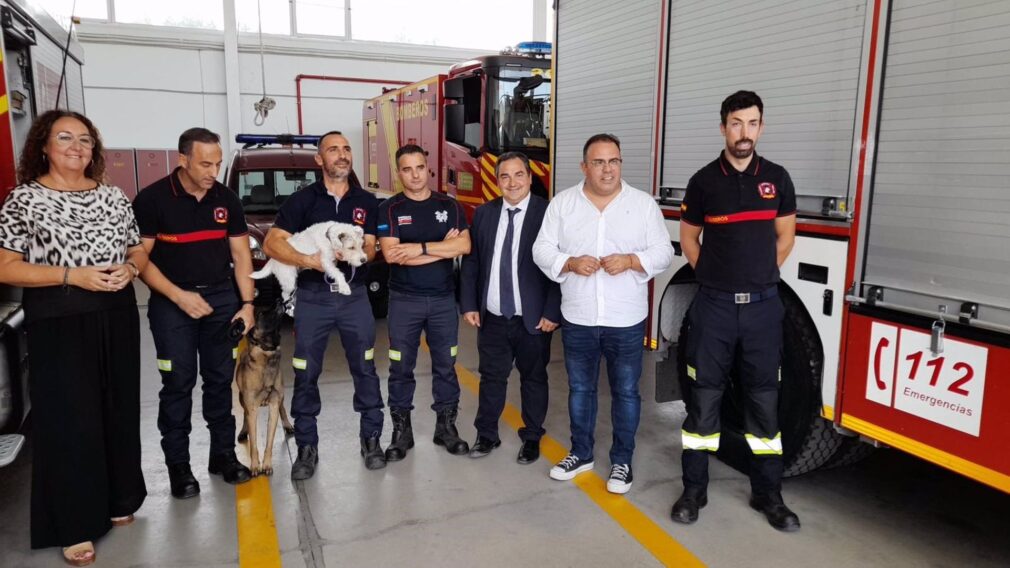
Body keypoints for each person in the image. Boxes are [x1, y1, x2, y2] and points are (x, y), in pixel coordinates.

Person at [0, 110, 147, 566]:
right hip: (59, 317)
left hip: (116, 312)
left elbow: (137, 247)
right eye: (64, 138)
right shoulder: (23, 200)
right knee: (69, 419)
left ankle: (121, 499)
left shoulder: (113, 197)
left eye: (85, 140)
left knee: (117, 408)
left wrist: (131, 268)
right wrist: (71, 275)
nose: (76, 147)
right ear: (43, 145)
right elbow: (5, 266)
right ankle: (74, 522)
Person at [671, 90, 800, 531]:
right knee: (703, 400)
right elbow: (689, 238)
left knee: (764, 403)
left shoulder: (778, 179)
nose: (744, 132)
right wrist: (713, 277)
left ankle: (769, 496)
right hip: (714, 309)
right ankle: (693, 491)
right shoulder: (704, 181)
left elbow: (785, 237)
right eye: (736, 123)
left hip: (764, 310)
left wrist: (761, 275)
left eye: (752, 123)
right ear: (723, 127)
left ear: (761, 127)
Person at [533, 133, 674, 494]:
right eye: (599, 162)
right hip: (578, 316)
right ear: (584, 166)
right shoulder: (563, 204)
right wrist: (568, 261)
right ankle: (581, 454)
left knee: (626, 392)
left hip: (625, 320)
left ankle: (622, 462)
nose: (607, 169)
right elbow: (541, 249)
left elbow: (663, 251)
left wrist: (631, 260)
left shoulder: (642, 205)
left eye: (614, 161)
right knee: (580, 389)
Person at [132, 127, 254, 499]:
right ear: (182, 159)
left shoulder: (226, 199)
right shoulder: (152, 200)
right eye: (205, 163)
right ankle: (179, 467)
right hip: (172, 305)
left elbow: (240, 255)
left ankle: (223, 455)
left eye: (217, 163)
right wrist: (179, 297)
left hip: (221, 302)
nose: (212, 171)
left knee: (220, 382)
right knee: (178, 385)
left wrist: (247, 305)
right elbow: (138, 258)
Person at [262, 130, 386, 478]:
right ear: (319, 160)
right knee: (306, 372)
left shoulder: (366, 201)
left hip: (355, 299)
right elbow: (272, 244)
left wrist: (359, 251)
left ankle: (372, 439)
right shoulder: (302, 201)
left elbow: (373, 248)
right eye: (333, 150)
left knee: (365, 367)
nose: (342, 155)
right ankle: (306, 447)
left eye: (346, 149)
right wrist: (312, 261)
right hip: (314, 300)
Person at [460, 152, 561, 463]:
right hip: (492, 317)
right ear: (497, 180)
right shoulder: (485, 214)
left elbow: (560, 265)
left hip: (533, 318)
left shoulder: (548, 213)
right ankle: (486, 434)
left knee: (534, 378)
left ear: (530, 178)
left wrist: (553, 311)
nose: (512, 182)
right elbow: (473, 261)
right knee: (491, 377)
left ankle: (531, 436)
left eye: (519, 175)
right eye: (505, 176)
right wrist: (469, 304)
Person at [377, 144, 471, 460]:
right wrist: (440, 248)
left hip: (444, 300)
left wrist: (416, 249)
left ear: (427, 168)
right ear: (398, 172)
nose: (415, 175)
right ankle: (401, 433)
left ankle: (446, 427)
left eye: (419, 167)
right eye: (407, 169)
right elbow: (392, 255)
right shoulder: (389, 209)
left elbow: (465, 246)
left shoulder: (450, 204)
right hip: (404, 301)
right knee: (400, 367)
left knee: (446, 365)